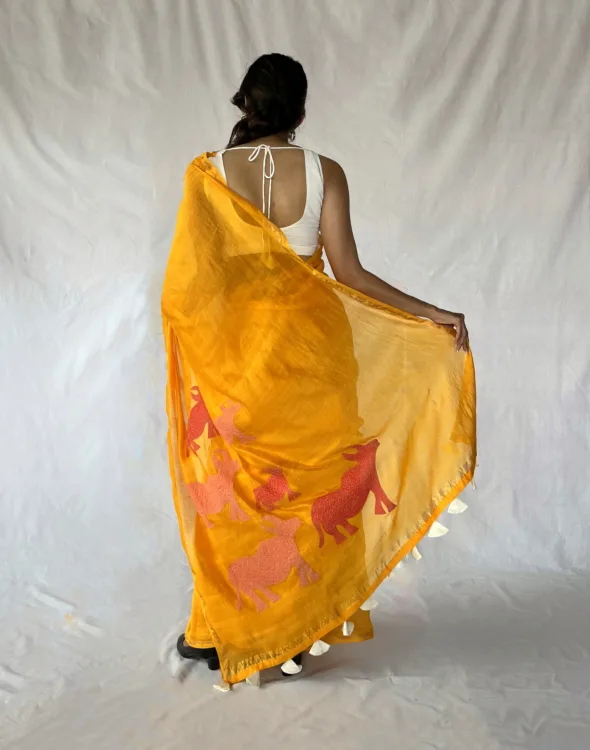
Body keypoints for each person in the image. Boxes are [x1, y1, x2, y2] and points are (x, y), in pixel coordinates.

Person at [162, 53, 476, 687]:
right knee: (312, 489)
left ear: (246, 104)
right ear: (301, 112)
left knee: (238, 492)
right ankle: (291, 632)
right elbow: (349, 273)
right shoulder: (324, 171)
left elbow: (193, 289)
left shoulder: (210, 176)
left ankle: (225, 630)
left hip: (238, 366)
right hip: (314, 358)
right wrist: (431, 313)